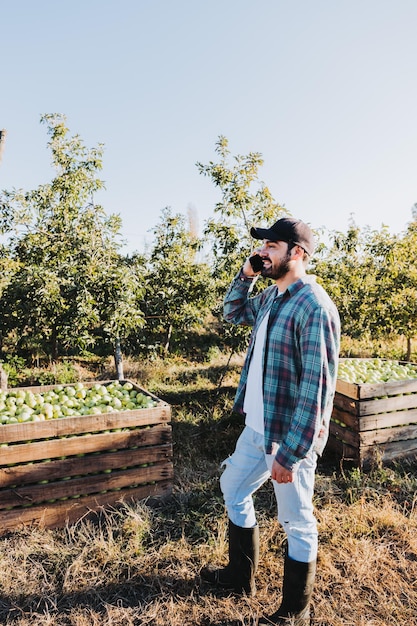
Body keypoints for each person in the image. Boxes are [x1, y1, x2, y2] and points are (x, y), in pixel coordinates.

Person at [200, 217, 340, 625]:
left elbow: (317, 389)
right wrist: (245, 274)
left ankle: (296, 610)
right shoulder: (273, 297)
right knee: (233, 486)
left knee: (296, 519)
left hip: (288, 436)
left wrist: (291, 454)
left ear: (298, 253)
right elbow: (232, 312)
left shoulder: (314, 307)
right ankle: (239, 576)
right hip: (258, 427)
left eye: (272, 247)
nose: (263, 252)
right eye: (263, 247)